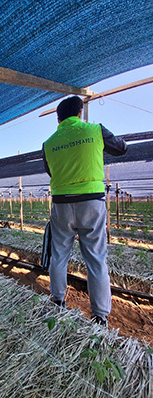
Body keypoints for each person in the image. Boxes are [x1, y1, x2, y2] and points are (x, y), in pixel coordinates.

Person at [42, 96, 127, 326]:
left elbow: (50, 170)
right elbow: (121, 148)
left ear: (58, 118)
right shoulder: (95, 130)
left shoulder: (48, 143)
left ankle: (58, 301)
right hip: (91, 202)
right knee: (96, 259)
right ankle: (99, 315)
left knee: (59, 255)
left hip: (61, 204)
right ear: (81, 111)